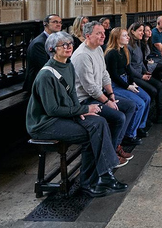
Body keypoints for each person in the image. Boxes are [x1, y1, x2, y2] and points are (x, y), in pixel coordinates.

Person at [26, 31, 127, 198]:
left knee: (99, 122)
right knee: (90, 134)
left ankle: (106, 174)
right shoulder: (46, 75)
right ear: (52, 49)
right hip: (44, 123)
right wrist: (84, 110)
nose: (68, 47)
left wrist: (79, 111)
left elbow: (72, 93)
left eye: (70, 44)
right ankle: (89, 183)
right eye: (63, 45)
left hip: (64, 115)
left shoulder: (68, 65)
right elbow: (52, 110)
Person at [71, 21, 138, 164]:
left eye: (103, 32)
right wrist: (107, 102)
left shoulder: (98, 49)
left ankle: (115, 146)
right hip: (85, 100)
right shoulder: (82, 55)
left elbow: (104, 74)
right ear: (88, 35)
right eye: (99, 33)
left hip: (98, 94)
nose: (103, 36)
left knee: (131, 106)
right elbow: (90, 87)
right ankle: (110, 156)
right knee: (118, 117)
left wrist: (111, 95)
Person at [104, 27, 151, 141]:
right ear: (116, 38)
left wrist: (132, 82)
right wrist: (127, 87)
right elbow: (113, 75)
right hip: (116, 85)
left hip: (126, 81)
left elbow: (128, 68)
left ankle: (139, 126)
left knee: (147, 98)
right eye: (125, 35)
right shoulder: (111, 53)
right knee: (139, 104)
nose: (128, 37)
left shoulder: (124, 49)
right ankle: (129, 134)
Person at [127, 22, 162, 123]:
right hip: (133, 77)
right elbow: (129, 67)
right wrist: (142, 76)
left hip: (141, 73)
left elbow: (141, 62)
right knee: (153, 91)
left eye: (142, 30)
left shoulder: (138, 43)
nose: (142, 33)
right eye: (140, 31)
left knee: (159, 85)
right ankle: (144, 117)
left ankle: (160, 115)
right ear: (132, 31)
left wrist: (146, 72)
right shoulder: (128, 47)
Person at [24, 13, 63, 91]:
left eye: (60, 22)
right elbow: (45, 67)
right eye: (55, 22)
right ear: (45, 24)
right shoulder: (39, 43)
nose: (58, 24)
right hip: (38, 82)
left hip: (52, 77)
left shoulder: (57, 40)